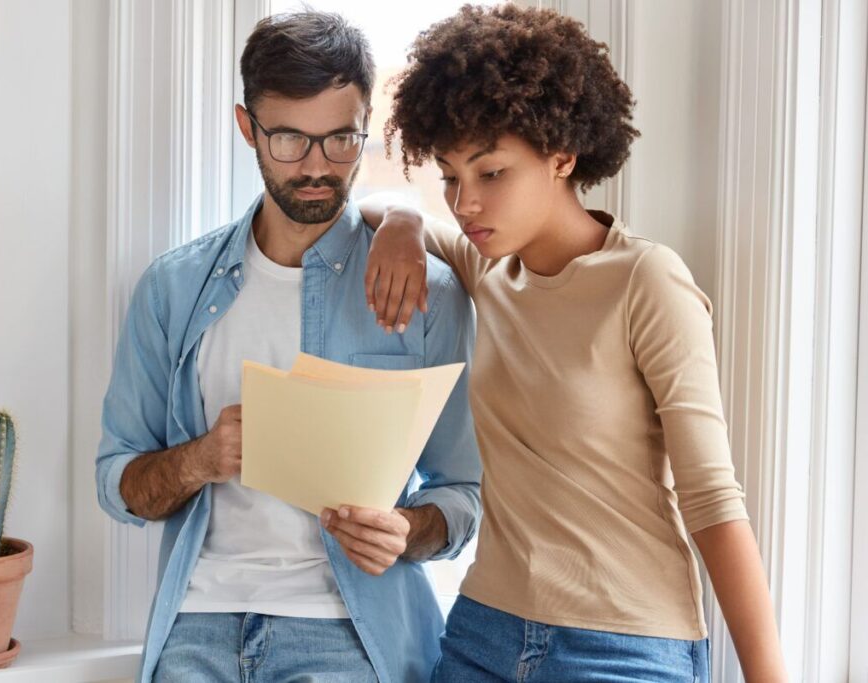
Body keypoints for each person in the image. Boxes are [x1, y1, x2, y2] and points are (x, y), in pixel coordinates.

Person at [361, 5, 786, 681]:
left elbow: (712, 499)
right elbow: (375, 203)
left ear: (562, 154)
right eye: (449, 176)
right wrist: (406, 221)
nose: (465, 203)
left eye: (491, 173)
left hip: (624, 646)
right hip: (481, 633)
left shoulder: (646, 282)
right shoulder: (488, 266)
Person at [95, 10, 481, 683]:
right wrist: (198, 460)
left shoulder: (428, 293)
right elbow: (118, 484)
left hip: (349, 634)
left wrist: (405, 531)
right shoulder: (173, 287)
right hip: (199, 623)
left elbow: (463, 495)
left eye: (340, 140)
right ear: (247, 127)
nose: (316, 167)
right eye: (288, 140)